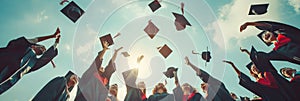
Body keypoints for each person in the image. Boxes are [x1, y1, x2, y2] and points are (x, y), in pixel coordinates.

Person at [0, 28, 60, 94]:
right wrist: (52, 36)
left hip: (7, 82)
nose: (43, 49)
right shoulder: (22, 46)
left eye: (44, 50)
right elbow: (33, 40)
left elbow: (47, 57)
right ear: (33, 46)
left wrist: (57, 42)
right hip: (3, 64)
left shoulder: (33, 62)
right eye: (42, 47)